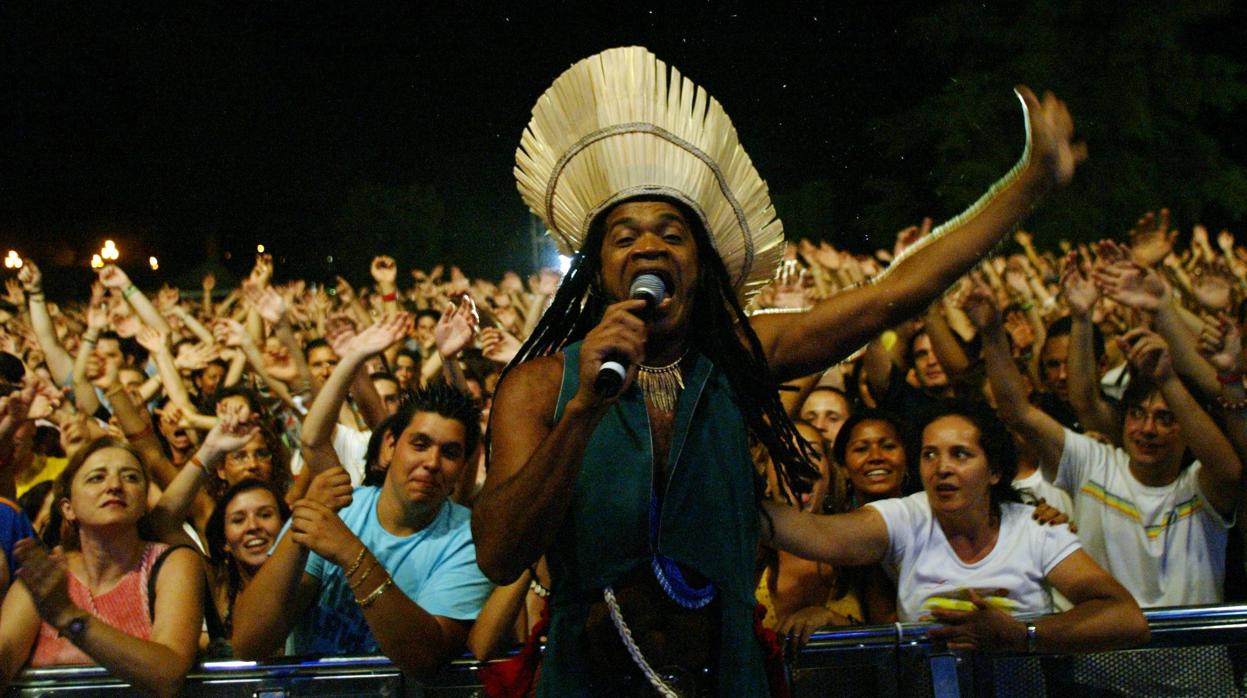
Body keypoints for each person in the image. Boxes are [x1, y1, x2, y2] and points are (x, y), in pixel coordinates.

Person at [476, 46, 1084, 695]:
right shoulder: (539, 386)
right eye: (624, 236)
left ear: (700, 267)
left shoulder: (738, 357)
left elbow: (894, 293)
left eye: (672, 234)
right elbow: (500, 551)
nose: (649, 245)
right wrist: (581, 412)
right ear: (598, 270)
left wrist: (1029, 183)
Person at [765, 403, 1149, 652]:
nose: (942, 467)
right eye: (930, 454)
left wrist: (1023, 636)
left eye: (960, 454)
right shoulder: (907, 517)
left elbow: (1125, 618)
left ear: (995, 471)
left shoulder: (1034, 526)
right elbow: (817, 534)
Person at [231, 385, 494, 679]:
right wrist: (299, 532)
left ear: (463, 466)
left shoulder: (468, 539)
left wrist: (350, 552)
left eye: (449, 452)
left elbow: (425, 658)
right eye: (420, 444)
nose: (431, 463)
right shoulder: (341, 510)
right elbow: (249, 643)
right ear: (391, 445)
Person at [0, 438, 204, 698]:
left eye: (130, 477)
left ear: (143, 504)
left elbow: (168, 675)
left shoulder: (171, 562)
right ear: (68, 508)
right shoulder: (46, 574)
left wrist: (67, 615)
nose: (115, 486)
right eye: (97, 478)